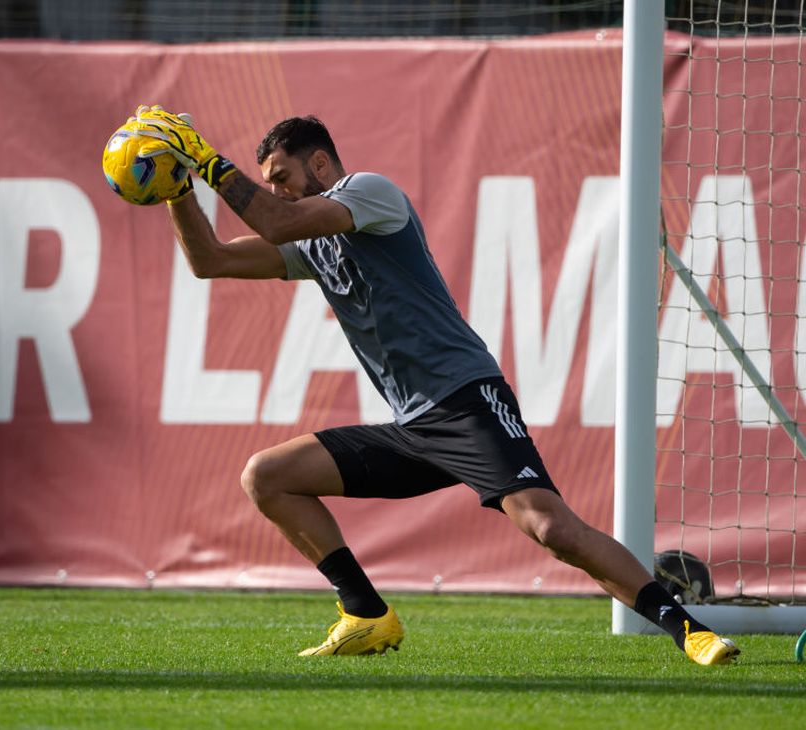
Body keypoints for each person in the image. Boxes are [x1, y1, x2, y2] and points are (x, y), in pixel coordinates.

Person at [127, 105, 740, 665]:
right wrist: (179, 187)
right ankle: (366, 614)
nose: (274, 188)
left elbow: (278, 222)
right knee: (267, 476)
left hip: (467, 400)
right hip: (413, 426)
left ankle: (690, 630)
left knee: (552, 529)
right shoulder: (314, 242)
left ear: (319, 162)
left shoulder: (369, 193)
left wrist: (206, 158)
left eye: (281, 174)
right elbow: (211, 261)